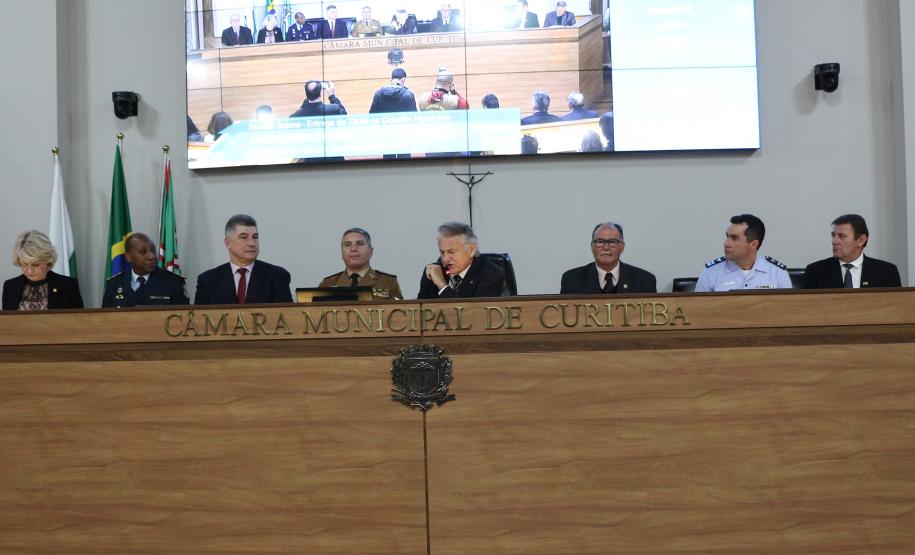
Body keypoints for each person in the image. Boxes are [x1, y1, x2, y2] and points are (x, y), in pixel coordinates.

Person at [194, 214, 292, 305]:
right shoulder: (208, 280)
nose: (252, 243)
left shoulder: (277, 276)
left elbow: (286, 317)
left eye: (255, 237)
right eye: (244, 237)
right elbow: (199, 320)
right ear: (228, 243)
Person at [695, 214, 792, 292]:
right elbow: (697, 312)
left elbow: (789, 312)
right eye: (727, 237)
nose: (726, 244)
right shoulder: (710, 273)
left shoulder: (777, 273)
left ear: (753, 244)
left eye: (734, 238)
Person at [803, 214, 901, 289]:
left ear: (861, 240)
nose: (834, 241)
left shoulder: (886, 272)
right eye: (833, 235)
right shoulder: (815, 271)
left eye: (841, 236)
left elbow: (895, 310)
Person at [560, 222, 657, 294]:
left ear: (622, 247)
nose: (606, 247)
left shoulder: (645, 281)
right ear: (592, 247)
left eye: (612, 242)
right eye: (600, 242)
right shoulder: (571, 280)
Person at [418, 222, 505, 299]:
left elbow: (470, 314)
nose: (445, 259)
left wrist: (442, 285)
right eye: (442, 252)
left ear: (471, 249)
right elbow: (419, 312)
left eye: (451, 252)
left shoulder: (491, 274)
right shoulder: (432, 272)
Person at [2, 230, 83, 311]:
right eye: (24, 264)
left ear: (47, 262)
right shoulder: (10, 287)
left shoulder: (68, 286)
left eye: (35, 265)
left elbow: (80, 320)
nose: (29, 270)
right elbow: (6, 321)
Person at [102, 233, 188, 308]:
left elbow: (184, 318)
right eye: (143, 252)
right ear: (128, 257)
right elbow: (104, 320)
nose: (152, 256)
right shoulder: (114, 284)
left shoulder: (173, 282)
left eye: (153, 250)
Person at [319, 228, 403, 301]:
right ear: (342, 253)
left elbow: (399, 316)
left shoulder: (388, 283)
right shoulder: (328, 284)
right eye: (347, 245)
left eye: (359, 243)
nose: (353, 249)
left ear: (371, 251)